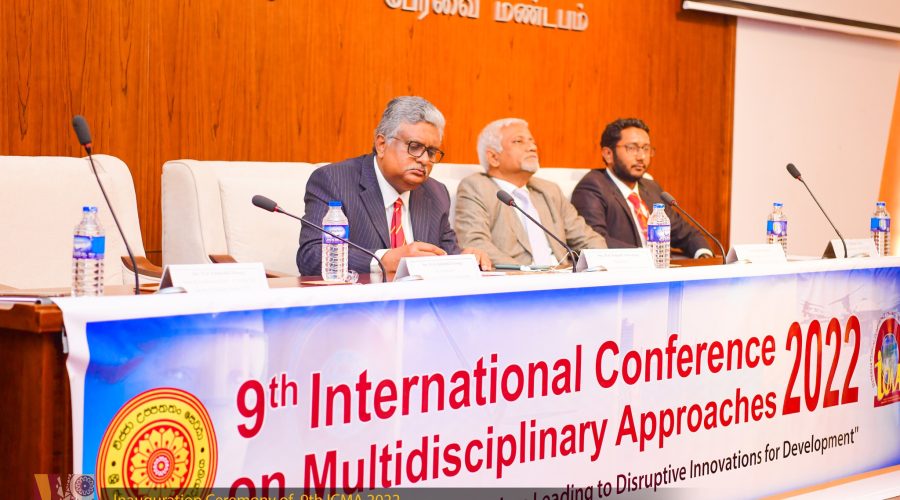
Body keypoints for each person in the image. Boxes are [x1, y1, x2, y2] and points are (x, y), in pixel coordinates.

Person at [296, 96, 490, 275]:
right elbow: (311, 256)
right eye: (414, 147)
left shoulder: (436, 193)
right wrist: (383, 260)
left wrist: (466, 258)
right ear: (381, 145)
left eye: (431, 152)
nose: (424, 159)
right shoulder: (334, 181)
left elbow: (446, 255)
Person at [454, 118, 607, 267]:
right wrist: (529, 274)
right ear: (494, 157)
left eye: (532, 141)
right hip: (517, 279)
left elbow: (588, 239)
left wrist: (604, 262)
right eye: (518, 141)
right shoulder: (476, 187)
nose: (532, 147)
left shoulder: (550, 190)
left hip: (564, 275)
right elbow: (476, 244)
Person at [571, 118, 713, 258]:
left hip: (661, 268)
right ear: (608, 154)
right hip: (625, 270)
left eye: (646, 148)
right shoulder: (592, 187)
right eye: (632, 148)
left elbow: (685, 233)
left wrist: (703, 254)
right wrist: (645, 257)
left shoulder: (651, 188)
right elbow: (596, 242)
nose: (641, 156)